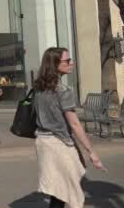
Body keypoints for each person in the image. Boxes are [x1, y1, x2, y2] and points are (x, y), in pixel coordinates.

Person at [33, 47, 107, 208]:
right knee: (71, 192)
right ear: (55, 64)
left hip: (43, 142)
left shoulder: (38, 88)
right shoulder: (63, 90)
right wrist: (91, 152)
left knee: (59, 191)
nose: (72, 63)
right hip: (59, 143)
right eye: (67, 61)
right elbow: (74, 123)